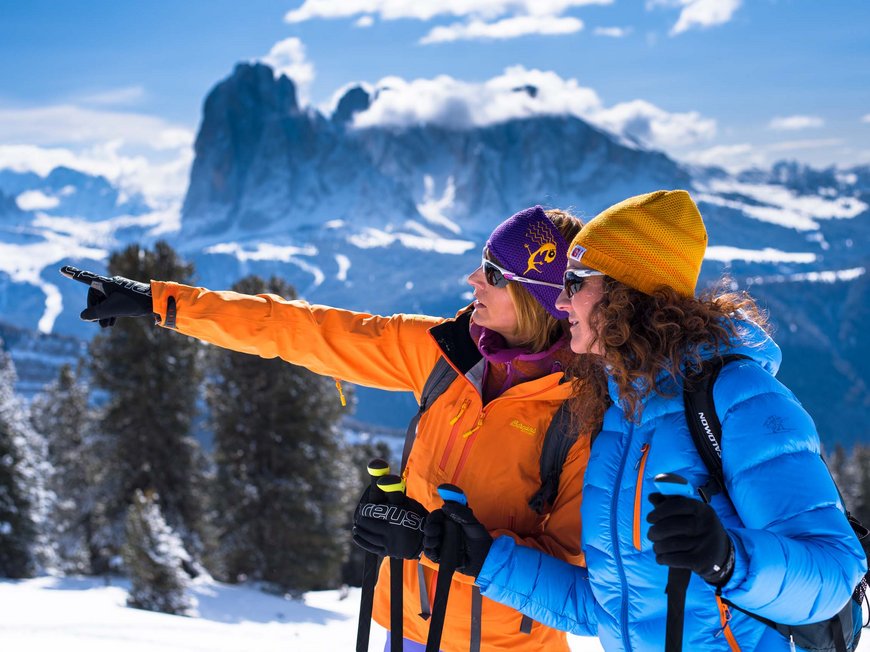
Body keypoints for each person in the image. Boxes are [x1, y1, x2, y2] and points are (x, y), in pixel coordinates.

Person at [61, 206, 593, 652]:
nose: (472, 280)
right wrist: (162, 302)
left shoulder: (582, 412)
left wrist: (462, 548)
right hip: (403, 629)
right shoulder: (443, 353)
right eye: (481, 263)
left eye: (494, 274)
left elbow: (574, 579)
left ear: (538, 301)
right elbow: (302, 329)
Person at [422, 190, 868, 651]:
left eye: (574, 283)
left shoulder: (741, 399)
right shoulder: (620, 420)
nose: (559, 303)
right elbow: (609, 609)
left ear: (626, 295)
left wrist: (728, 559)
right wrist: (486, 558)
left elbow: (834, 573)